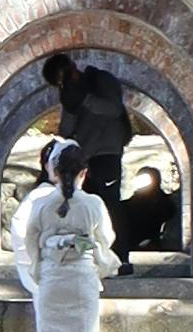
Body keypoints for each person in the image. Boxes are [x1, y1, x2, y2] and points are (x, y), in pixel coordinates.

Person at [6, 132, 119, 332]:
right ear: (84, 172)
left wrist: (40, 272)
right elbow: (105, 241)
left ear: (53, 171)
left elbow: (30, 243)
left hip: (52, 282)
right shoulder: (93, 204)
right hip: (81, 281)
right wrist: (97, 264)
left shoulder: (41, 204)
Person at [41, 45, 133, 229]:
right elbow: (66, 130)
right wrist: (70, 105)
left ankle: (119, 255)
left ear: (73, 67)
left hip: (107, 154)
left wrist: (85, 99)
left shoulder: (101, 80)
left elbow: (113, 110)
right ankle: (89, 252)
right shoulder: (70, 93)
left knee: (110, 207)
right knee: (85, 207)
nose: (67, 81)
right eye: (61, 82)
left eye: (66, 75)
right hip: (85, 158)